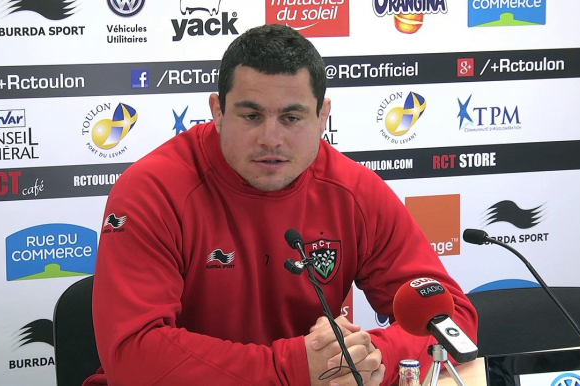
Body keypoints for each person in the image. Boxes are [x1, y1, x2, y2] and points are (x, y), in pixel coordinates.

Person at [85, 24, 478, 386]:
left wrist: (373, 356)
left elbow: (451, 317)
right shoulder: (153, 190)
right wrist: (293, 368)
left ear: (323, 116)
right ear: (218, 112)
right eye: (251, 115)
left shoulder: (352, 189)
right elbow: (133, 356)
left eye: (292, 117)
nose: (270, 138)